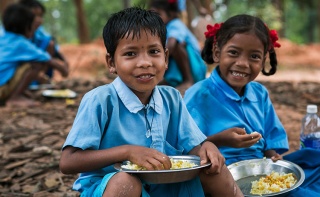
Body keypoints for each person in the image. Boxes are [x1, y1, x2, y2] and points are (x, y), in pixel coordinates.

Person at [59, 7, 243, 197]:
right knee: (126, 181)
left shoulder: (171, 99)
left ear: (165, 58)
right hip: (113, 187)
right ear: (111, 62)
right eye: (130, 54)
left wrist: (207, 148)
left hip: (165, 186)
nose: (145, 62)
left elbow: (192, 147)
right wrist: (126, 152)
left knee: (213, 166)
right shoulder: (100, 100)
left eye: (153, 51)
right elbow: (68, 161)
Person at [184, 14, 289, 166]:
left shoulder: (260, 94)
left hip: (259, 171)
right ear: (217, 52)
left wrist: (273, 157)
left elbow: (270, 142)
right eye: (233, 52)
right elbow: (183, 147)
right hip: (215, 172)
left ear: (263, 61)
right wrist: (220, 140)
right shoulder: (199, 95)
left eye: (254, 56)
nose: (243, 63)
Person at [0, 4, 69, 107]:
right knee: (35, 64)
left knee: (17, 64)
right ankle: (15, 98)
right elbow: (46, 59)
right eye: (32, 27)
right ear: (26, 27)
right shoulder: (21, 43)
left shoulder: (4, 38)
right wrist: (63, 69)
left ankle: (19, 93)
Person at [150, 0, 207, 96]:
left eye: (158, 14)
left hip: (195, 68)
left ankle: (188, 80)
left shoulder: (176, 24)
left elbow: (171, 44)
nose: (154, 18)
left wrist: (159, 68)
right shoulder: (162, 29)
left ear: (171, 14)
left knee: (176, 45)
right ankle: (170, 80)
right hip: (177, 71)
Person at [19, 0, 69, 87]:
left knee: (49, 44)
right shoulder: (16, 35)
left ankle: (41, 79)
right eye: (34, 16)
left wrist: (64, 61)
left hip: (36, 60)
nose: (38, 19)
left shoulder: (38, 32)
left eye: (40, 16)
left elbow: (51, 45)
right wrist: (59, 66)